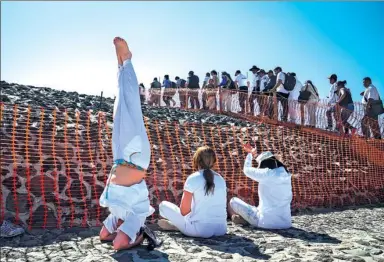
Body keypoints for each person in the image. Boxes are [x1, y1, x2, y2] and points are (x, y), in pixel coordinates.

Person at [98, 37, 161, 251]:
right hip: (134, 156)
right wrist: (136, 237)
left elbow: (104, 236)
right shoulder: (138, 215)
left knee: (119, 107)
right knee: (130, 105)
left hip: (121, 158)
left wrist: (117, 225)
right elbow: (117, 244)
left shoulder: (119, 214)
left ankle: (120, 68)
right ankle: (127, 61)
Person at [158, 146, 227, 238]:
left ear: (196, 161)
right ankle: (179, 226)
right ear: (214, 162)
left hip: (199, 230)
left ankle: (177, 226)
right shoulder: (221, 179)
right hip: (221, 229)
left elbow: (184, 211)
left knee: (163, 205)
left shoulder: (193, 178)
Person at [229, 145, 292, 229]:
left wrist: (250, 154)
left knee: (233, 201)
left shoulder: (267, 173)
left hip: (265, 222)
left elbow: (246, 170)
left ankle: (240, 218)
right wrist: (255, 155)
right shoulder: (286, 175)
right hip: (286, 223)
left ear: (264, 164)